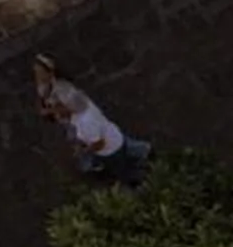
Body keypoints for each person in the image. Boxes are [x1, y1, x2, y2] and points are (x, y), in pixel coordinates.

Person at [34, 56, 151, 185]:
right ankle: (143, 152)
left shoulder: (84, 120)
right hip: (111, 136)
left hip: (111, 149)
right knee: (123, 145)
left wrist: (83, 151)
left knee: (122, 168)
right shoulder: (76, 113)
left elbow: (99, 143)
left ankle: (138, 178)